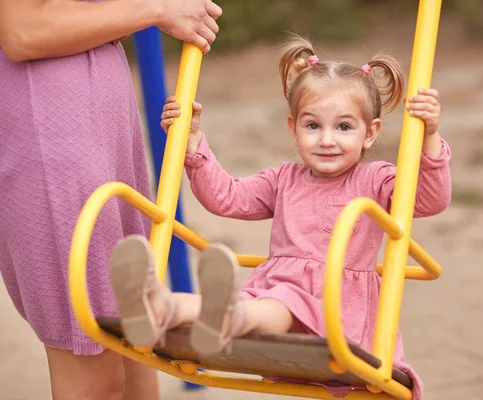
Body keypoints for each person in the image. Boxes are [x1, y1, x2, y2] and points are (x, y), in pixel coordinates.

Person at [109, 34, 451, 400]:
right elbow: (226, 198)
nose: (327, 140)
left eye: (344, 127)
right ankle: (165, 306)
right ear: (293, 128)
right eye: (312, 125)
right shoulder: (283, 179)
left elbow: (429, 199)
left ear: (371, 133)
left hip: (335, 313)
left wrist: (429, 136)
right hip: (274, 303)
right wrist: (192, 142)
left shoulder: (375, 179)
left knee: (277, 302)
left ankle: (227, 316)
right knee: (266, 302)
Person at [0, 1, 222, 399]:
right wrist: (156, 11)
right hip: (53, 128)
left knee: (137, 343)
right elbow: (21, 32)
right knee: (94, 360)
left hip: (103, 126)